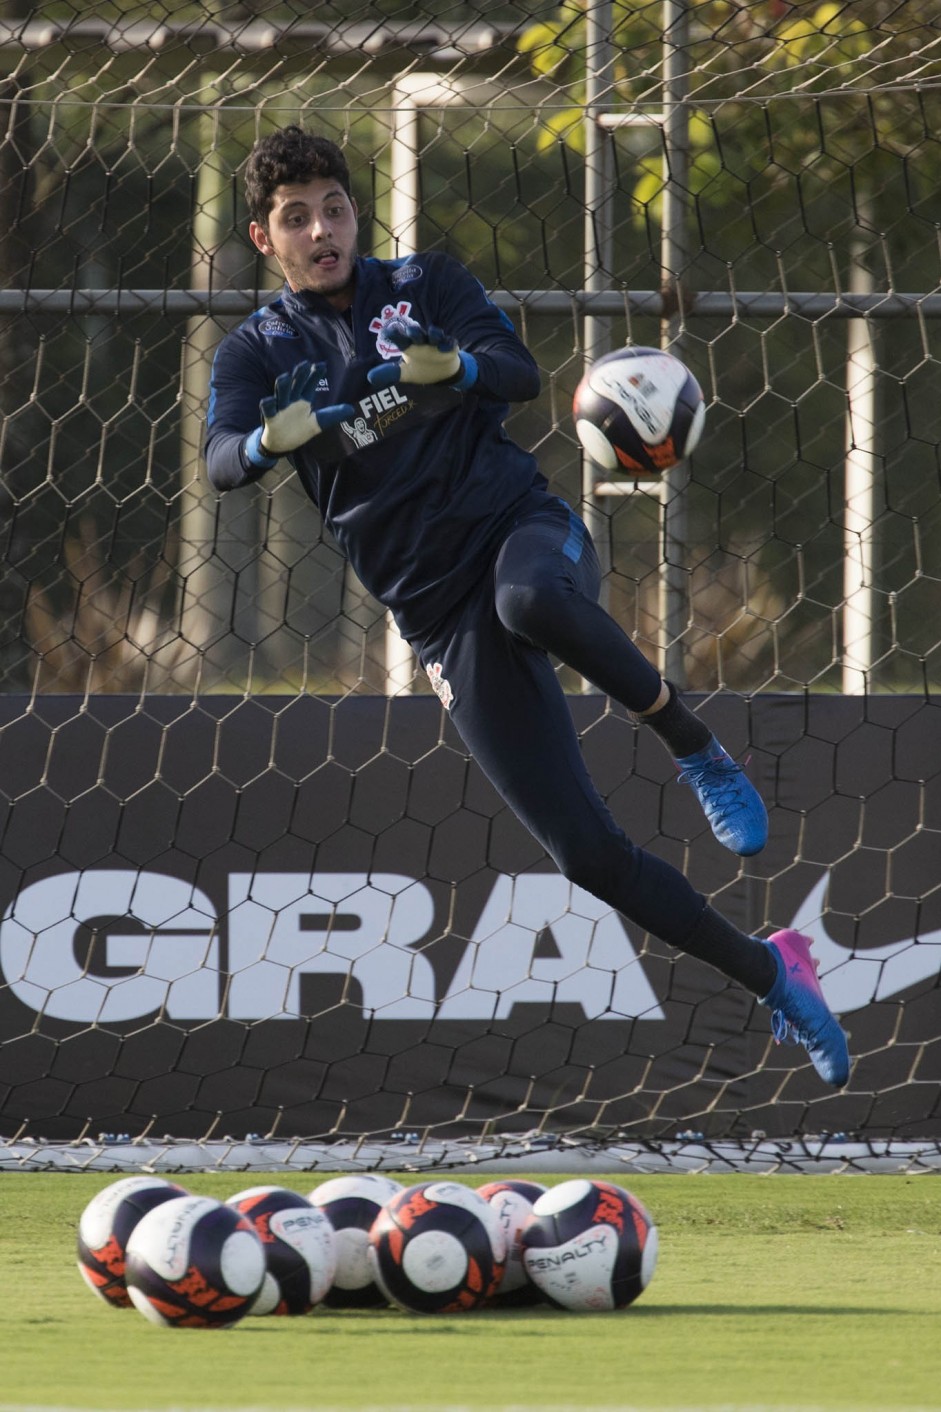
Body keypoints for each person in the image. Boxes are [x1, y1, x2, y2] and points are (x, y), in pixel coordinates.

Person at [204, 125, 849, 1087]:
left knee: (529, 601)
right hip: (434, 615)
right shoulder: (254, 352)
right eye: (296, 218)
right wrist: (265, 443)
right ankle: (773, 971)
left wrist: (455, 370)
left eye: (333, 207)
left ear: (354, 209)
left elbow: (514, 370)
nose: (322, 229)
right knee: (585, 853)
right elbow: (220, 463)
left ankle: (693, 746)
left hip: (521, 529)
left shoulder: (423, 285)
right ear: (266, 239)